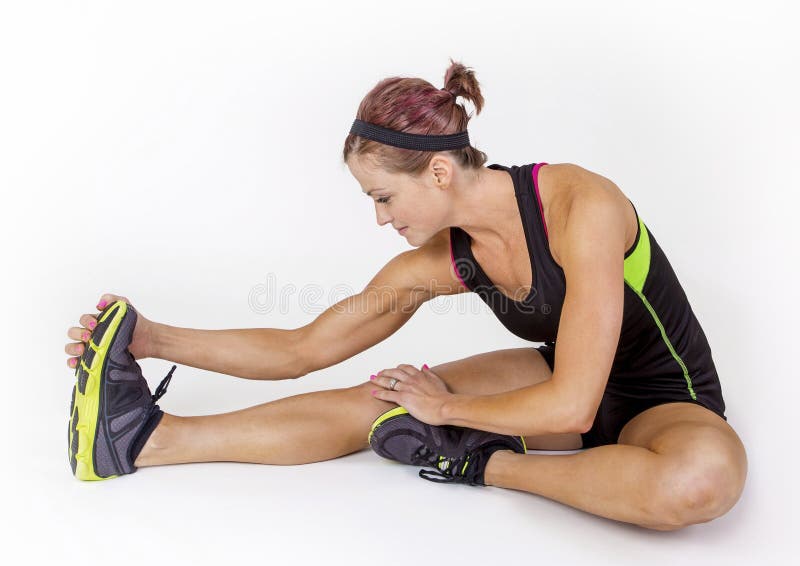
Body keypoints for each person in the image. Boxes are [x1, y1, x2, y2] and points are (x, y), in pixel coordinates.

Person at [64, 59, 747, 531]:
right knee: (376, 400)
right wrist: (148, 337)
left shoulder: (580, 206)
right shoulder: (441, 261)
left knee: (702, 482)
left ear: (442, 170)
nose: (381, 218)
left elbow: (578, 400)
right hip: (559, 375)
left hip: (664, 401)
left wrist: (450, 409)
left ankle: (487, 465)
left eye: (384, 196)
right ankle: (149, 442)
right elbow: (305, 347)